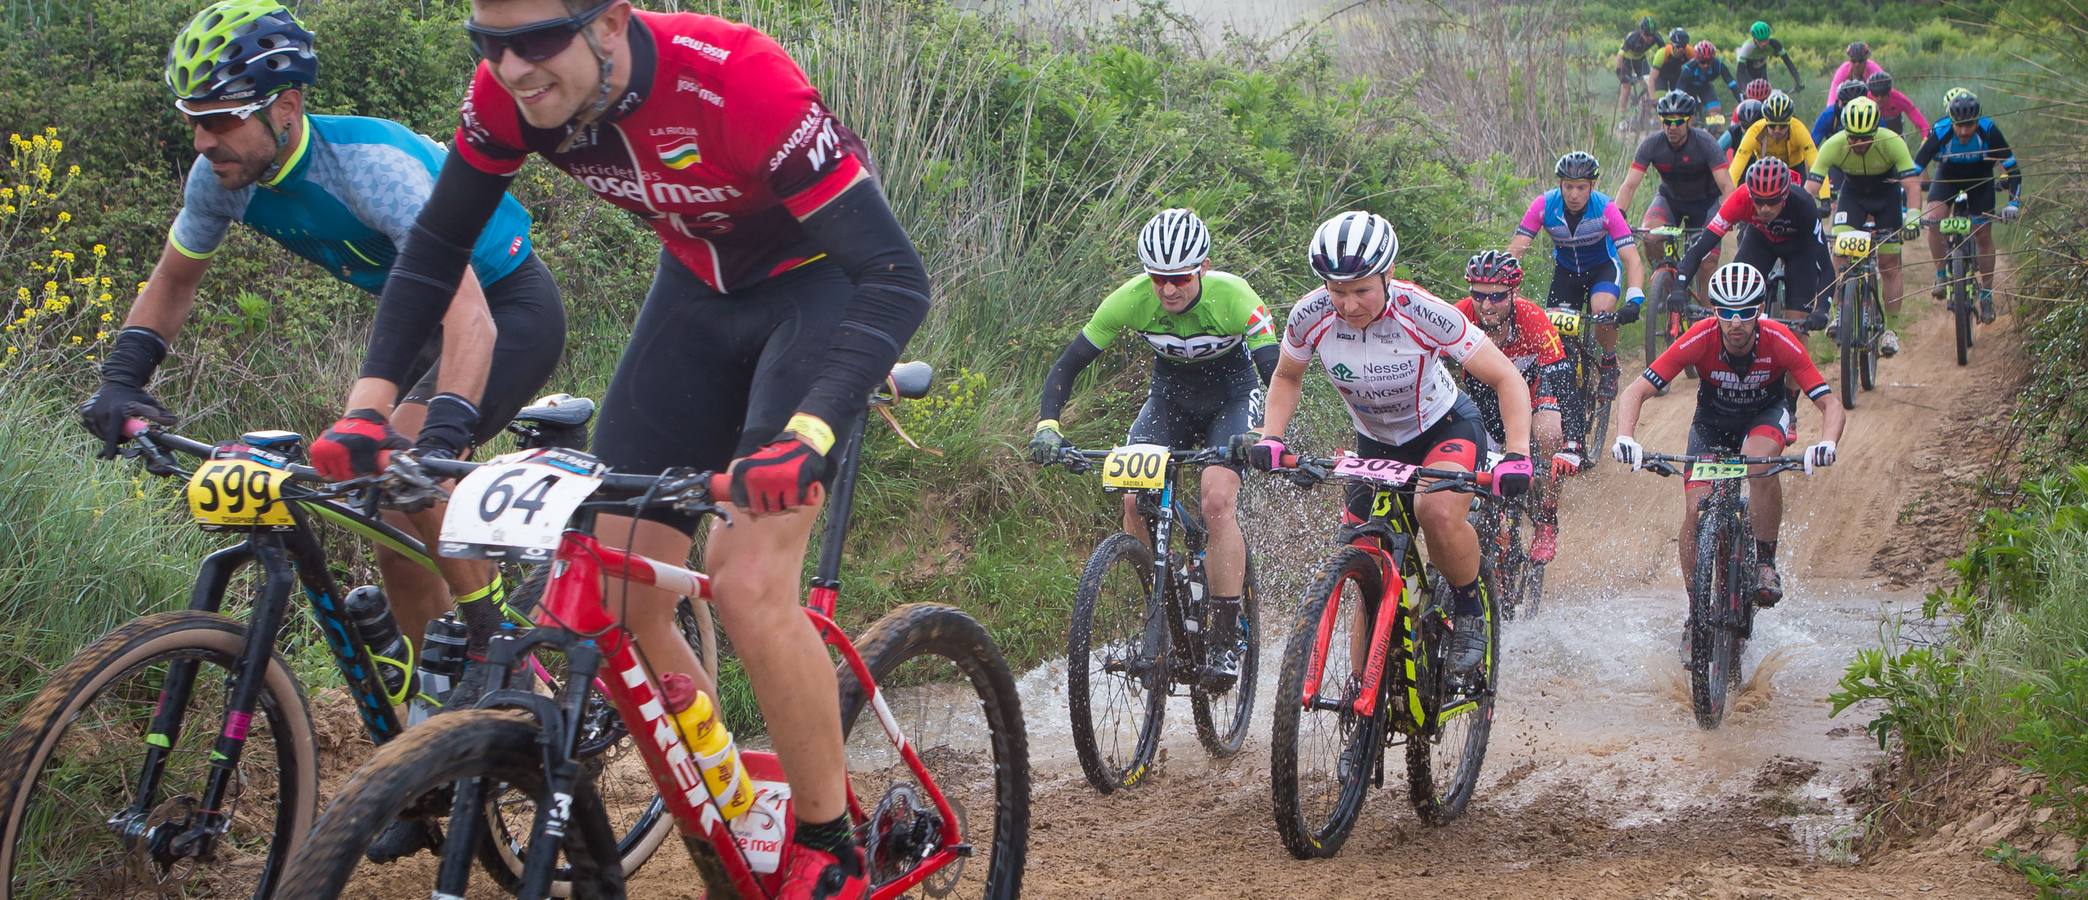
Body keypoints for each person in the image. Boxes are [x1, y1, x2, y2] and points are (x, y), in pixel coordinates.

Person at [304, 1, 935, 894]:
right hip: (695, 287)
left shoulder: (733, 75)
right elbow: (438, 245)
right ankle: (730, 799)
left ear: (606, 23)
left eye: (534, 42)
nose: (513, 69)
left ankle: (832, 848)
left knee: (747, 576)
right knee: (618, 580)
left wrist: (808, 434)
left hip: (820, 290)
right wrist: (368, 410)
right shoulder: (509, 91)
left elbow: (896, 277)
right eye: (490, 44)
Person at [79, 0, 566, 725]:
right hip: (417, 322)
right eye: (194, 118)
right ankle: (437, 721)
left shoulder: (372, 168)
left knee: (415, 484)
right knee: (392, 536)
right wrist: (123, 378)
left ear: (286, 106)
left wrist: (439, 439)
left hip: (503, 306)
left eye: (222, 119)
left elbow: (469, 314)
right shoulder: (218, 179)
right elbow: (173, 280)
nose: (204, 138)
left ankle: (511, 660)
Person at [1239, 211, 1534, 681]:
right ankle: (1364, 705)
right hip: (1376, 442)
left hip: (1445, 429)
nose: (1349, 304)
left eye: (1361, 290)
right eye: (1337, 290)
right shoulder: (1310, 315)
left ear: (1389, 275)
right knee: (1368, 559)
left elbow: (1506, 377)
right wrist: (1271, 435)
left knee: (1434, 512)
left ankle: (1468, 608)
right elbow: (1287, 376)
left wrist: (1518, 452)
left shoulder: (1423, 311)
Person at [1030, 208, 1275, 680]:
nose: (1168, 290)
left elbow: (1274, 370)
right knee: (1133, 499)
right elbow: (1067, 367)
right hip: (1170, 399)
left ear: (1203, 268)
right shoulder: (1130, 300)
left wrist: (1267, 435)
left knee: (1216, 500)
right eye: (1158, 278)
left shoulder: (1235, 296)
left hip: (1234, 395)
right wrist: (1048, 424)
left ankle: (1225, 637)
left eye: (1180, 277)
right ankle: (1158, 615)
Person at [1613, 262, 1842, 609]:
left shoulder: (1781, 340)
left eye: (1746, 312)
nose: (1736, 322)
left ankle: (1764, 563)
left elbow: (1829, 403)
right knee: (1694, 510)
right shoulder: (1700, 337)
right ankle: (1696, 611)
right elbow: (1635, 391)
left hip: (1764, 417)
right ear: (1713, 310)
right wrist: (1625, 437)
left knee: (1757, 462)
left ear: (1761, 310)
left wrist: (1826, 443)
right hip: (1713, 423)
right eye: (1727, 312)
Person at [1452, 251, 1582, 564]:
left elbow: (1563, 379)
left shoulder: (1532, 319)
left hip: (1536, 391)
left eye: (1497, 296)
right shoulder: (1461, 315)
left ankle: (1547, 519)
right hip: (1484, 398)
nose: (1486, 305)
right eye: (1479, 295)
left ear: (1514, 293)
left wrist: (1573, 443)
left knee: (1550, 434)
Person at [1505, 151, 1647, 399]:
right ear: (1560, 184)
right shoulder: (1544, 205)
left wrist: (1634, 299)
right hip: (1567, 272)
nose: (1573, 194)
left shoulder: (1606, 208)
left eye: (1581, 187)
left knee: (1601, 311)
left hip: (1602, 267)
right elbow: (1516, 250)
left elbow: (1632, 259)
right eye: (1568, 186)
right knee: (1554, 335)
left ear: (1592, 186)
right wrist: (1505, 285)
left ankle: (1609, 361)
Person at [1805, 97, 1922, 356]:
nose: (1856, 143)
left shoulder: (1892, 141)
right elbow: (1811, 186)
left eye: (1864, 138)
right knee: (1840, 252)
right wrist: (1801, 213)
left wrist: (1913, 214)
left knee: (1889, 263)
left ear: (1875, 133)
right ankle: (1839, 314)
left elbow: (1911, 184)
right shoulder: (1834, 145)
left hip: (1887, 197)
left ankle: (1891, 329)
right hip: (1853, 196)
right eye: (1852, 137)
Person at [1680, 157, 1835, 330]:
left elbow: (1825, 266)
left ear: (1785, 196)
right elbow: (1701, 247)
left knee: (1796, 328)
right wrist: (1679, 286)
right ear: (1751, 195)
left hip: (1798, 249)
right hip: (1760, 242)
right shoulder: (1740, 199)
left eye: (1773, 201)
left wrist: (1822, 309)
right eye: (1759, 201)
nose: (1765, 208)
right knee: (1736, 303)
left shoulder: (1803, 204)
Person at [1616, 90, 1736, 301]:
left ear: (1689, 121)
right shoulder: (1652, 144)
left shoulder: (1705, 143)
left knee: (1707, 264)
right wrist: (1618, 218)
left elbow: (1727, 186)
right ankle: (1665, 291)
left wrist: (1727, 219)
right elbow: (1629, 186)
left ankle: (1705, 317)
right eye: (1667, 121)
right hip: (1670, 201)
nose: (1672, 127)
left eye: (1678, 121)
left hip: (1705, 205)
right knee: (1650, 237)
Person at [1915, 91, 2023, 323]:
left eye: (1969, 125)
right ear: (1952, 121)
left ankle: (1986, 294)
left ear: (1977, 121)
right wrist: (1918, 194)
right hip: (1948, 177)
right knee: (1934, 220)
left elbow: (2013, 170)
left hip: (1980, 180)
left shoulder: (1989, 130)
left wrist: (2014, 204)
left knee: (1982, 234)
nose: (1964, 131)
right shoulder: (1941, 130)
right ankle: (1941, 275)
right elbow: (1914, 168)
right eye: (1959, 126)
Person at [1729, 91, 1817, 185]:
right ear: (1765, 121)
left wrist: (1825, 196)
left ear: (1789, 122)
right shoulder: (1755, 130)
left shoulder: (1798, 129)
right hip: (1765, 168)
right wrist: (1728, 190)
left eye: (1782, 126)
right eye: (1772, 126)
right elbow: (1737, 166)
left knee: (1799, 196)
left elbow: (1815, 163)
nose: (1777, 130)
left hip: (1794, 167)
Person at [1677, 40, 1741, 119]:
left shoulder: (1718, 65)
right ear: (1697, 59)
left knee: (1715, 112)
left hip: (1705, 88)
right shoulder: (1688, 69)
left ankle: (1715, 130)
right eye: (1702, 62)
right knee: (1689, 115)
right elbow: (1679, 90)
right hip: (1688, 89)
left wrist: (1741, 101)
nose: (1705, 65)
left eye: (1709, 61)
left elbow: (1732, 84)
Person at [1735, 21, 1804, 92]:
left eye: (1766, 40)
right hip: (1746, 68)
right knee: (1752, 91)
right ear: (1754, 39)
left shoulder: (1775, 44)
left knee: (1765, 92)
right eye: (1761, 41)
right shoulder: (1748, 47)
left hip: (1761, 65)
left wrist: (1798, 80)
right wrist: (1744, 89)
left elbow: (1788, 62)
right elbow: (1740, 72)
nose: (1764, 44)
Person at [1616, 17, 1660, 120]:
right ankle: (1622, 118)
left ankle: (1647, 116)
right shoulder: (1632, 38)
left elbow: (1664, 51)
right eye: (1647, 35)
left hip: (1641, 60)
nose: (1650, 38)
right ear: (1641, 32)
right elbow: (1619, 56)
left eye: (1652, 35)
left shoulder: (1657, 37)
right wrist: (1619, 73)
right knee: (1626, 87)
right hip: (1627, 60)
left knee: (1649, 86)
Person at [1865, 71, 1931, 140]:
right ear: (1871, 92)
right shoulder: (1865, 99)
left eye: (1883, 94)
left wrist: (1925, 137)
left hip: (1896, 132)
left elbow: (1919, 120)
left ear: (1889, 92)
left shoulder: (1898, 99)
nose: (1879, 98)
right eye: (1875, 94)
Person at [1813, 78, 1872, 146]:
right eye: (1845, 105)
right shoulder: (1829, 115)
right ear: (1839, 101)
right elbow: (1812, 145)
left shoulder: (1872, 113)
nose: (1850, 110)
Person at [1650, 27, 1691, 94]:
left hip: (1676, 75)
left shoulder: (1690, 51)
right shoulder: (1662, 53)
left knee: (1679, 98)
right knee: (1661, 99)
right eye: (1678, 46)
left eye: (1683, 46)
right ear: (1672, 45)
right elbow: (1652, 79)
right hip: (1661, 76)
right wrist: (1652, 97)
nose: (1681, 49)